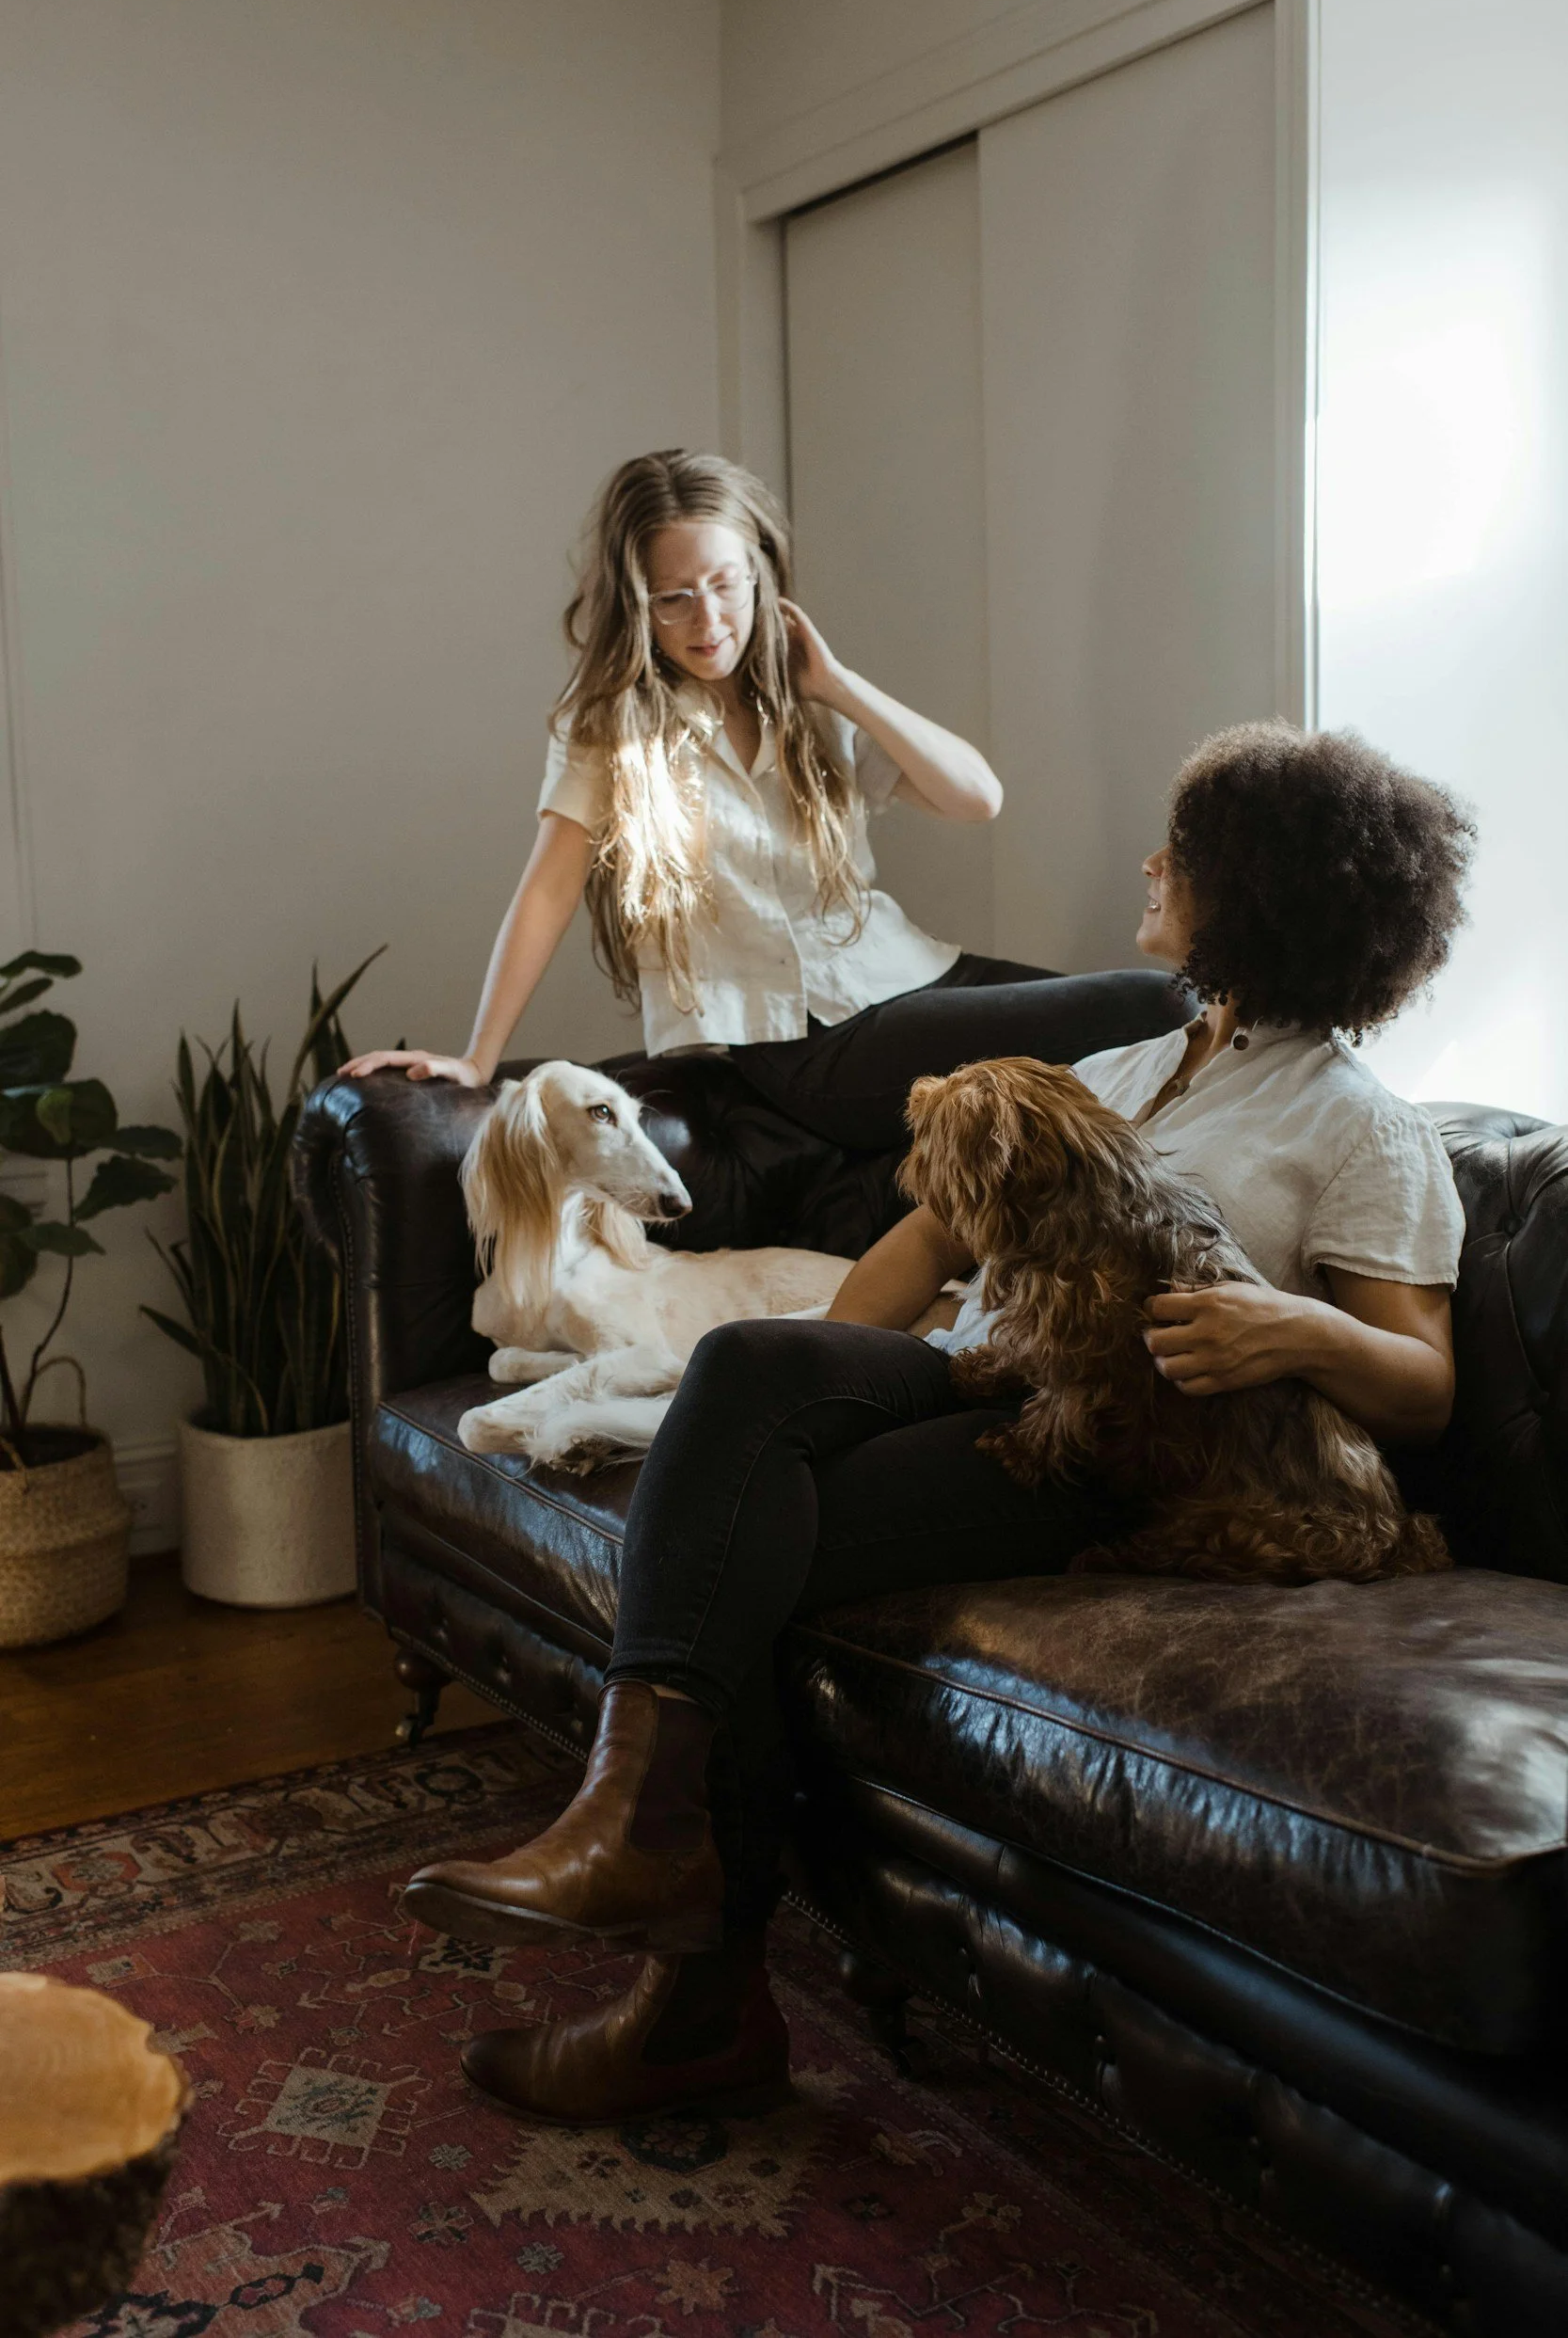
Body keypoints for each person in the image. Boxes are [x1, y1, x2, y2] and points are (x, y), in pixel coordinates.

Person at [405, 720, 1476, 2130]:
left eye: (1188, 852)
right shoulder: (1123, 1071)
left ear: (1261, 895)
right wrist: (807, 1389)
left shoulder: (1357, 1127)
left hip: (1115, 1441)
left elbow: (1419, 1378)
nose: (1153, 866)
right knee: (738, 1385)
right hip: (985, 1374)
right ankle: (645, 1866)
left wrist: (1296, 1329)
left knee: (741, 1550)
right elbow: (917, 1252)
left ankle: (686, 1984)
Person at [339, 449, 1188, 1142]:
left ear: (760, 574)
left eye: (724, 584)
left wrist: (842, 686)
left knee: (1176, 1025)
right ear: (637, 607)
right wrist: (479, 1059)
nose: (705, 619)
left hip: (911, 976)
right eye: (671, 599)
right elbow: (550, 886)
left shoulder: (803, 704)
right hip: (803, 1043)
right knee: (1149, 1003)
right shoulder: (612, 726)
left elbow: (976, 798)